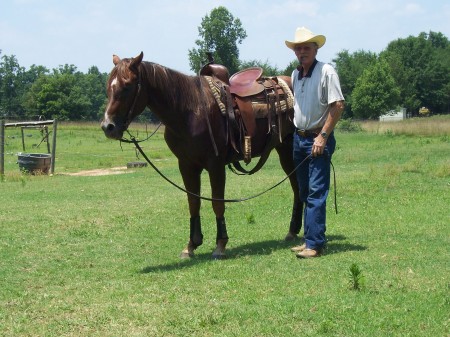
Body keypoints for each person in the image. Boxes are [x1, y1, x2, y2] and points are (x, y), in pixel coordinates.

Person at [285, 27, 345, 258]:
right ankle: (309, 238)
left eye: (306, 47)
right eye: (298, 48)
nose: (302, 51)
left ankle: (314, 244)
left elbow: (337, 105)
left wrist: (323, 136)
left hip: (317, 140)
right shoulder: (295, 74)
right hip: (299, 139)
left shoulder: (326, 71)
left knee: (316, 192)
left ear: (315, 48)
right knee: (304, 191)